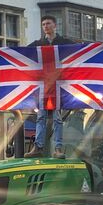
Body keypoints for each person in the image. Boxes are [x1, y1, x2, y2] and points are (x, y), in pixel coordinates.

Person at [24, 15, 74, 159]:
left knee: (57, 117)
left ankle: (58, 148)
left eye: (48, 23)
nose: (45, 26)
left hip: (58, 84)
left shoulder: (64, 42)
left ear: (54, 25)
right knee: (41, 117)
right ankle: (38, 147)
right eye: (43, 24)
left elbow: (79, 51)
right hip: (44, 85)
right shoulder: (38, 43)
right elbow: (22, 54)